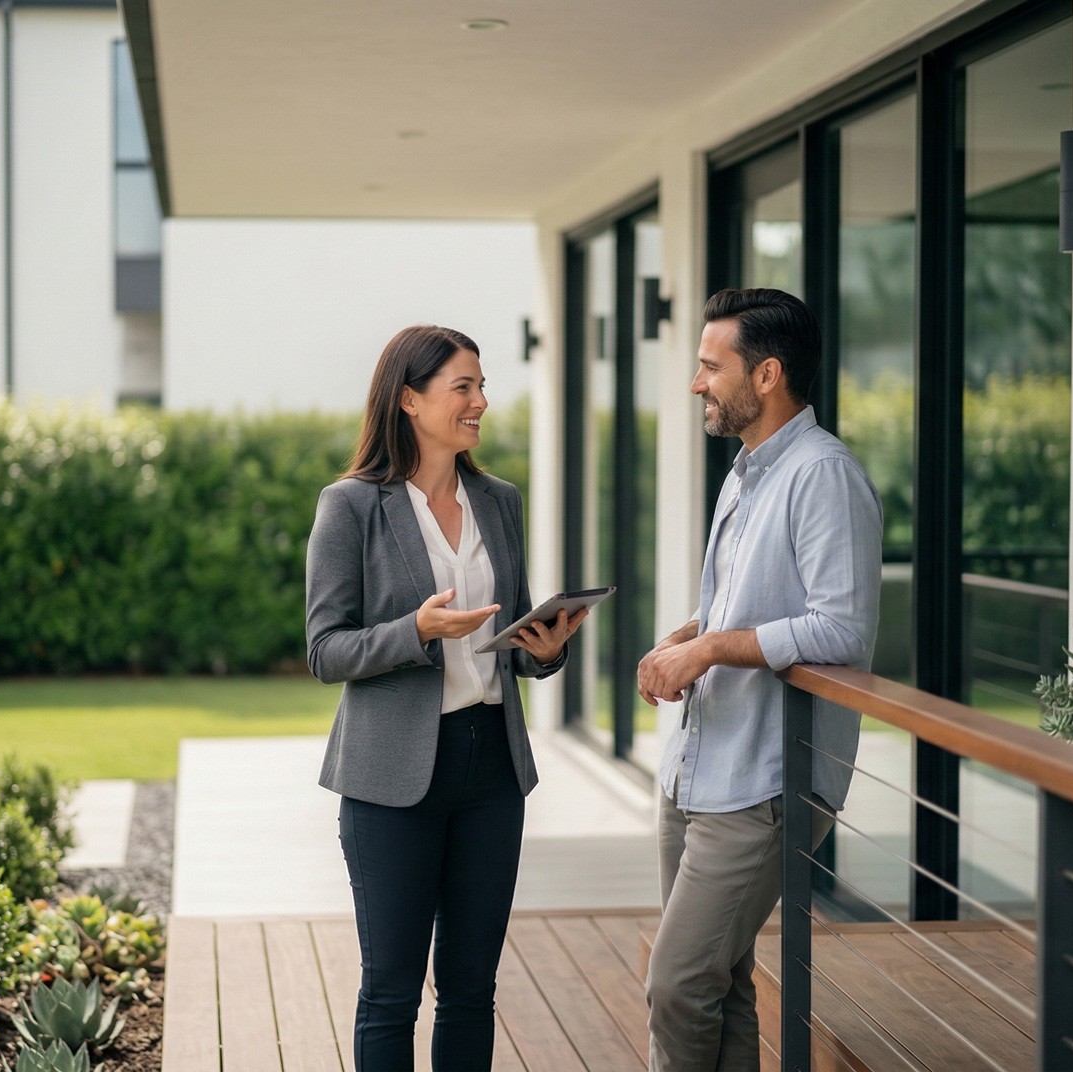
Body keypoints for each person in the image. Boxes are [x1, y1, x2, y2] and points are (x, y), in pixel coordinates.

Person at [306, 324, 585, 1071]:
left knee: (471, 989)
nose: (480, 402)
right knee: (391, 992)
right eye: (463, 387)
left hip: (491, 769)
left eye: (481, 386)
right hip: (390, 781)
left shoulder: (500, 502)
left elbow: (514, 636)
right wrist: (415, 630)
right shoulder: (351, 507)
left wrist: (547, 652)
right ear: (409, 399)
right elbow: (325, 650)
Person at [636, 288, 882, 1072]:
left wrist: (708, 653)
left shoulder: (823, 476)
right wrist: (688, 637)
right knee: (721, 979)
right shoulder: (746, 472)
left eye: (711, 366)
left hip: (764, 784)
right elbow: (745, 606)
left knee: (676, 984)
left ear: (767, 374)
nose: (696, 382)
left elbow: (839, 628)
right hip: (700, 768)